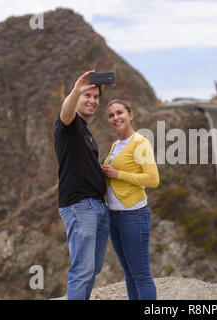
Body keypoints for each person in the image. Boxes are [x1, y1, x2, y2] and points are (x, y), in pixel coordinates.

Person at [53, 70, 109, 300]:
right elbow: (65, 112)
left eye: (96, 97)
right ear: (77, 98)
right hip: (79, 206)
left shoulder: (85, 130)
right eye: (88, 96)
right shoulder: (68, 124)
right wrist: (76, 90)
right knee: (82, 271)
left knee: (92, 269)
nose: (93, 101)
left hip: (96, 206)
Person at [101, 99, 159, 300]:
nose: (116, 118)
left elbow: (153, 179)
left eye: (119, 113)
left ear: (130, 115)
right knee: (129, 274)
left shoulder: (140, 142)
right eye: (111, 115)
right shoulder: (116, 144)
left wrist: (118, 174)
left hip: (134, 215)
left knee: (141, 275)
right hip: (115, 216)